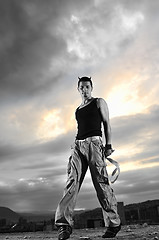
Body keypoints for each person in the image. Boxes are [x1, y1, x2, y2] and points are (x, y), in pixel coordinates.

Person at [55, 76, 121, 239]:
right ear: (78, 89)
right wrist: (75, 145)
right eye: (81, 87)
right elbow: (80, 128)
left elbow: (107, 124)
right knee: (72, 182)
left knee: (101, 183)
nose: (84, 89)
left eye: (87, 86)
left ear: (91, 88)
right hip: (78, 145)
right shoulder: (77, 109)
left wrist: (108, 145)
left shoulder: (99, 102)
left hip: (94, 144)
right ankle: (64, 225)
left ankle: (113, 223)